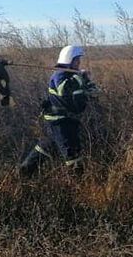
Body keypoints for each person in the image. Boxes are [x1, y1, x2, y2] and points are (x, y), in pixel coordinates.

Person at [19, 45, 98, 176]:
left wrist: (87, 83)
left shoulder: (72, 75)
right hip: (59, 122)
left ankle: (25, 172)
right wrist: (79, 78)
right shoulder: (59, 75)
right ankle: (79, 182)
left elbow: (90, 90)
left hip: (67, 120)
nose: (79, 63)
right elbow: (63, 89)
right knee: (71, 152)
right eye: (76, 60)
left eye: (79, 60)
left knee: (46, 147)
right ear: (69, 60)